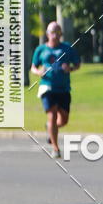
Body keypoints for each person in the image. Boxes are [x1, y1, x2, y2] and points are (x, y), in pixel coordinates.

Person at [31, 22, 80, 159]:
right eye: (52, 32)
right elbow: (33, 67)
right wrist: (38, 72)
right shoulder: (41, 49)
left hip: (63, 89)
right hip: (47, 87)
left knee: (63, 120)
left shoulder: (67, 48)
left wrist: (70, 68)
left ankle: (50, 129)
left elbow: (77, 64)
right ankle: (56, 148)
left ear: (61, 34)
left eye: (58, 33)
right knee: (52, 116)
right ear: (47, 34)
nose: (55, 35)